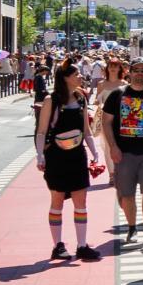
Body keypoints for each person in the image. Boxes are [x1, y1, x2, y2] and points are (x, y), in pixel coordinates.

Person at [36, 61, 100, 262]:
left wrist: (94, 152)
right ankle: (58, 246)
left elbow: (86, 131)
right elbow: (41, 131)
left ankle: (82, 245)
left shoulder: (81, 99)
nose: (80, 76)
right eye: (76, 74)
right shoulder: (51, 100)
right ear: (65, 78)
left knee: (81, 201)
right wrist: (40, 155)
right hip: (57, 156)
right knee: (57, 200)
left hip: (77, 155)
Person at [102, 58, 143, 245]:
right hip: (124, 153)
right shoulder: (117, 95)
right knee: (127, 194)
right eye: (136, 70)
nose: (139, 73)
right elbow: (106, 122)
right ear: (129, 72)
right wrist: (113, 146)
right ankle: (131, 229)